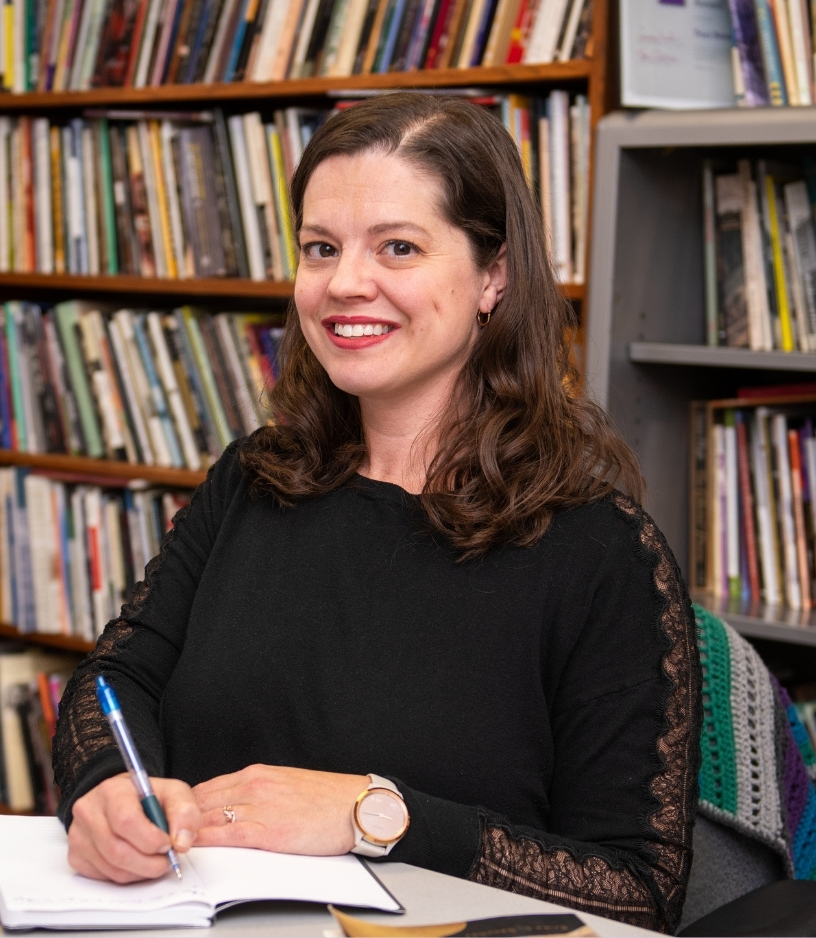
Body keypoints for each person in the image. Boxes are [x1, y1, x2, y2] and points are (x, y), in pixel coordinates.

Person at [49, 92, 700, 933]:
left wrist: (374, 816)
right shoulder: (252, 479)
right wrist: (103, 782)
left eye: (397, 246)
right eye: (320, 248)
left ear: (492, 275)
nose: (345, 284)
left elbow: (638, 892)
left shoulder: (599, 550)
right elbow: (116, 678)